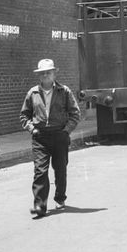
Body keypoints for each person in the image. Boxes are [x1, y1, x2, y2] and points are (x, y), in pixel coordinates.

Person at [19, 58, 80, 218]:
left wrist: (66, 131)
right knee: (40, 171)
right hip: (40, 137)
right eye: (42, 73)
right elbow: (24, 116)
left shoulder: (64, 91)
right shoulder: (32, 93)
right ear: (39, 76)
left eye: (48, 72)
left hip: (60, 135)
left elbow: (75, 114)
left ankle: (60, 198)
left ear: (54, 74)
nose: (45, 75)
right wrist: (32, 129)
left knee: (60, 169)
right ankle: (39, 206)